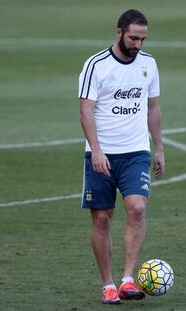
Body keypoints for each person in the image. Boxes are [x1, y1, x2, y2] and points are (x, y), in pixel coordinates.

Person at [78, 9, 165, 304]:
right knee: (102, 219)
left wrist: (160, 148)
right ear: (119, 33)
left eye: (142, 39)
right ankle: (108, 285)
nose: (138, 44)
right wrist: (97, 150)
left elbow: (153, 107)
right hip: (101, 155)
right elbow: (86, 111)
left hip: (136, 153)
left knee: (137, 208)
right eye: (133, 38)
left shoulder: (149, 64)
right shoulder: (96, 65)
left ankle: (128, 278)